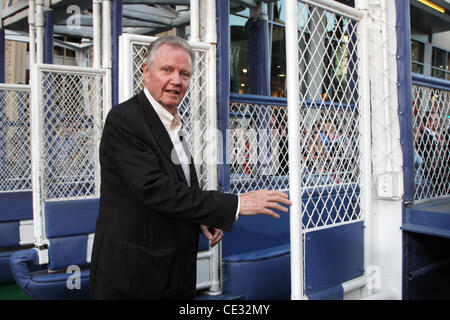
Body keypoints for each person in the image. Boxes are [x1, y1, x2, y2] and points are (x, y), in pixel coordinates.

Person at [89, 36, 291, 300]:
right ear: (146, 72)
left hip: (172, 272)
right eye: (167, 70)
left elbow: (178, 187)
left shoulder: (171, 123)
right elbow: (157, 190)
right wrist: (236, 204)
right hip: (134, 276)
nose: (176, 81)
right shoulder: (125, 120)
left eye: (184, 73)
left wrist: (200, 219)